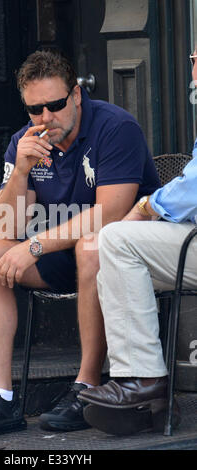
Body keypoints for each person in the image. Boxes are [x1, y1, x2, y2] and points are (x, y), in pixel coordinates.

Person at [0, 50, 160, 440]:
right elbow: (5, 225)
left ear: (76, 96)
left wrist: (36, 245)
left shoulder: (114, 127)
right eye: (35, 109)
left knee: (93, 245)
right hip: (59, 253)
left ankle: (87, 386)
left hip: (126, 257)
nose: (46, 118)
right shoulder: (24, 142)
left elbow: (111, 214)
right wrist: (21, 172)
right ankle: (1, 397)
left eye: (56, 105)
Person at [78, 48, 197, 436]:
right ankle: (148, 396)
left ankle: (143, 381)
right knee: (120, 253)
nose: (191, 66)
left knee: (117, 241)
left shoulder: (113, 127)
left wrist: (147, 206)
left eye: (194, 57)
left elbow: (193, 187)